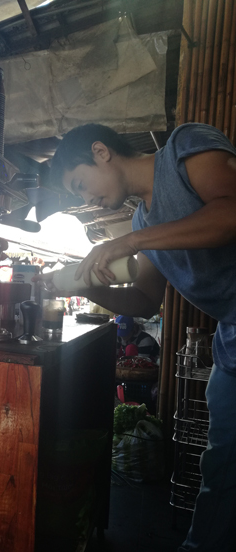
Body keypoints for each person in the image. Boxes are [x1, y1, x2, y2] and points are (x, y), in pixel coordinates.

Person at [36, 122, 236, 552]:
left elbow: (231, 211)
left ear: (101, 152)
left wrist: (129, 241)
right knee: (222, 468)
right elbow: (145, 300)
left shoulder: (184, 147)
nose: (85, 199)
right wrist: (89, 288)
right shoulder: (142, 218)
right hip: (231, 338)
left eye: (80, 184)